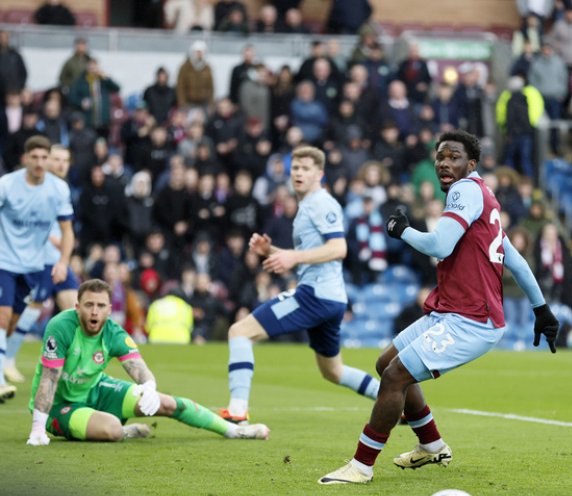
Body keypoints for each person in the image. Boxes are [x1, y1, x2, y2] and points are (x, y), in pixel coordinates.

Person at [318, 130, 559, 485]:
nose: (445, 163)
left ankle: (361, 466)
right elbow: (517, 261)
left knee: (395, 376)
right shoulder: (486, 198)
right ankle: (432, 446)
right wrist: (542, 310)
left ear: (471, 164)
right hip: (451, 311)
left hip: (471, 319)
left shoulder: (465, 191)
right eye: (441, 157)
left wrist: (402, 231)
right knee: (387, 364)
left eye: (454, 157)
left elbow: (440, 246)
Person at [219, 146, 380, 423]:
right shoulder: (306, 206)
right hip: (331, 299)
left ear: (319, 174)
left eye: (305, 169)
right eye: (295, 168)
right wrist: (271, 251)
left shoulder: (321, 203)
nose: (299, 173)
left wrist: (293, 256)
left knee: (239, 331)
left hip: (315, 295)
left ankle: (236, 410)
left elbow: (339, 247)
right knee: (333, 371)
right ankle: (394, 400)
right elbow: (312, 254)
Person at [25, 279, 268, 446]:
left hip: (96, 390)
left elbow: (138, 367)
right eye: (89, 305)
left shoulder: (114, 332)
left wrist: (149, 387)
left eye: (100, 306)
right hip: (60, 404)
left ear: (110, 309)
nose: (95, 312)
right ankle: (124, 432)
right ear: (77, 307)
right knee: (111, 429)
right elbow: (49, 379)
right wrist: (38, 428)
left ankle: (233, 430)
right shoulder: (61, 326)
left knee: (166, 403)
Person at [0, 136, 74, 403]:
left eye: (45, 158)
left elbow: (67, 230)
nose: (41, 163)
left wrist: (64, 261)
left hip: (33, 264)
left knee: (12, 323)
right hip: (4, 261)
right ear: (25, 158)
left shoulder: (58, 190)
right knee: (3, 315)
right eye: (36, 157)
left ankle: (7, 359)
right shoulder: (7, 185)